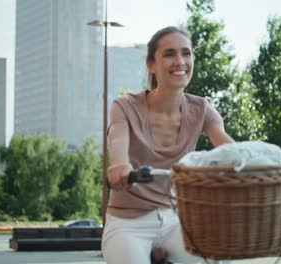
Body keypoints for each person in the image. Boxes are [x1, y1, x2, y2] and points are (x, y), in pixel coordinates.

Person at [101, 26, 235, 264]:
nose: (180, 61)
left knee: (217, 256)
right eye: (169, 54)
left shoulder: (202, 110)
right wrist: (120, 165)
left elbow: (232, 151)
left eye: (186, 53)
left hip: (175, 220)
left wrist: (256, 165)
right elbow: (118, 140)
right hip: (128, 224)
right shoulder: (124, 106)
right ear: (151, 64)